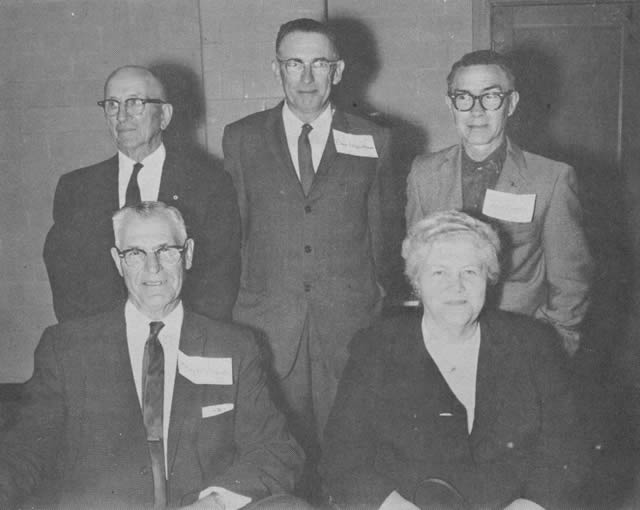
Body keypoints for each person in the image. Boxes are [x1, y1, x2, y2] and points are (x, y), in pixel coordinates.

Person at [0, 202, 305, 509]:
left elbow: (277, 449)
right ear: (117, 262)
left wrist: (217, 501)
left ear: (187, 254)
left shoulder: (233, 347)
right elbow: (25, 448)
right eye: (135, 253)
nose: (153, 267)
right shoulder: (67, 348)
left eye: (166, 250)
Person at [320, 211, 589, 510]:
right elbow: (341, 457)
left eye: (470, 272)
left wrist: (532, 504)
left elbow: (567, 449)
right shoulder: (376, 348)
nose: (456, 286)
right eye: (439, 273)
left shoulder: (533, 343)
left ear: (489, 279)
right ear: (416, 283)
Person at [222, 18, 392, 458]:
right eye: (294, 63)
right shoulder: (241, 138)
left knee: (351, 448)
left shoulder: (375, 139)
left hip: (348, 323)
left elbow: (382, 236)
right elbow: (236, 234)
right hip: (268, 324)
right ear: (275, 68)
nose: (306, 77)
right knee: (278, 451)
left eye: (319, 64)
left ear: (337, 71)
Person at [405, 50, 592, 355]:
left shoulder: (552, 178)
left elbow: (571, 282)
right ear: (450, 105)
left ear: (512, 103)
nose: (476, 111)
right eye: (463, 97)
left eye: (490, 97)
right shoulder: (423, 173)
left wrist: (550, 345)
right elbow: (417, 265)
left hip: (521, 343)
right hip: (443, 343)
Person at [43, 65, 240, 323]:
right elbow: (67, 284)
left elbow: (218, 280)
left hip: (184, 341)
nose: (122, 115)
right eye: (112, 105)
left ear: (165, 115)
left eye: (135, 103)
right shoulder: (76, 189)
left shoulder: (209, 185)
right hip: (102, 346)